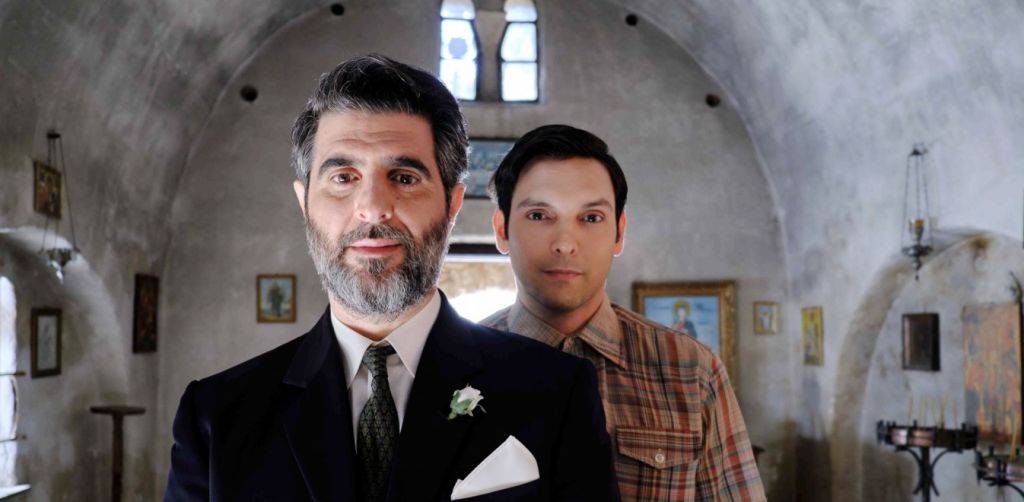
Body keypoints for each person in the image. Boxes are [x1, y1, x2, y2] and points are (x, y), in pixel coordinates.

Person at [164, 56, 618, 502]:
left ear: (452, 204)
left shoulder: (555, 392)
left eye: (403, 177)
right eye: (343, 177)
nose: (373, 207)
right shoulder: (216, 416)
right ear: (305, 203)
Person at [481, 124, 766, 501]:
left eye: (591, 218)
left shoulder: (692, 371)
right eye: (538, 215)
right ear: (502, 229)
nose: (565, 243)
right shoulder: (457, 367)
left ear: (619, 232)